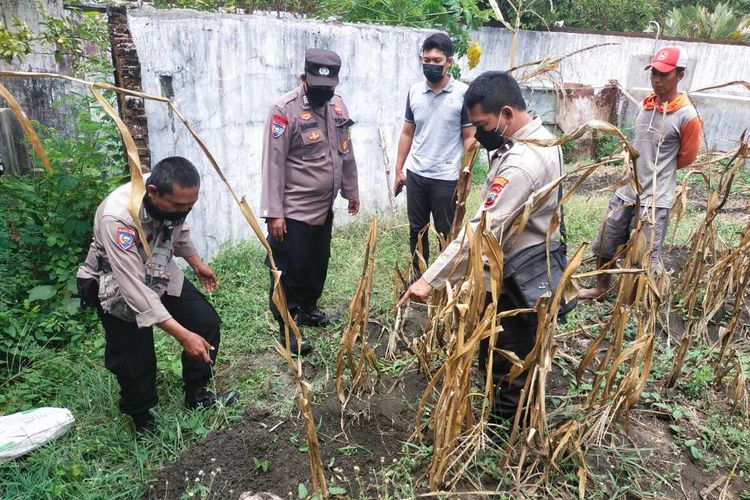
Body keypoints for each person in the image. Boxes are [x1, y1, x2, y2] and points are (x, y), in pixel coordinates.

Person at [398, 71, 565, 421]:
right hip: (536, 269)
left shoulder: (521, 163)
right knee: (505, 351)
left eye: (482, 123)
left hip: (517, 280)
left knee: (508, 358)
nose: (478, 133)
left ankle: (505, 434)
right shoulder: (544, 140)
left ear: (506, 114)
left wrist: (429, 279)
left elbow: (480, 232)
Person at [77, 157, 239, 434]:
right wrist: (182, 336)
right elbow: (133, 288)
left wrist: (197, 264)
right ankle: (141, 417)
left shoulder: (173, 199)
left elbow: (179, 230)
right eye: (179, 206)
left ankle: (197, 394)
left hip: (158, 266)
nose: (185, 210)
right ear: (153, 192)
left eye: (190, 205)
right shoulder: (117, 217)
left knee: (204, 322)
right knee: (135, 355)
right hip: (116, 279)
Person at [579, 45, 702, 300]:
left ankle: (631, 301)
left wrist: (658, 170)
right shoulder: (646, 106)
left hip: (655, 199)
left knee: (641, 254)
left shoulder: (687, 116)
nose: (657, 79)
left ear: (679, 76)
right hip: (627, 191)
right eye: (654, 73)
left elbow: (687, 157)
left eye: (664, 74)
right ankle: (601, 288)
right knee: (605, 242)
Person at [261, 48, 360, 356]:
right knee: (288, 272)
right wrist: (274, 214)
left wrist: (351, 190)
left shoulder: (339, 107)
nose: (324, 94)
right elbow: (272, 164)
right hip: (292, 213)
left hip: (322, 209)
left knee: (317, 265)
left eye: (328, 89)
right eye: (317, 87)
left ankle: (308, 309)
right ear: (303, 78)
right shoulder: (284, 110)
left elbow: (346, 152)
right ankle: (288, 329)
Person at [392, 32, 476, 275]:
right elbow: (407, 132)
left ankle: (442, 281)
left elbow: (469, 137)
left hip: (446, 177)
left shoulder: (462, 94)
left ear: (448, 62)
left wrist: (466, 177)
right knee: (416, 231)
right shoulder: (415, 92)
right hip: (416, 174)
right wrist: (399, 169)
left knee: (445, 233)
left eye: (437, 61)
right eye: (426, 60)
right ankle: (419, 277)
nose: (430, 65)